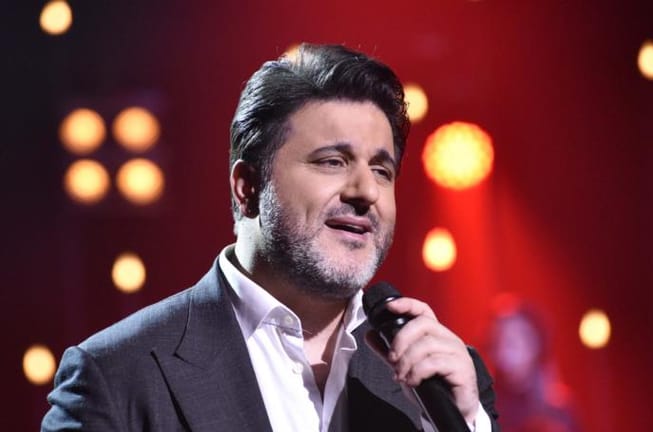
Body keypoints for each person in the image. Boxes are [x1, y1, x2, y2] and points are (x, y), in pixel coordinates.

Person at [41, 43, 498, 431]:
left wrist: (463, 422)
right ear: (249, 188)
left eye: (382, 170)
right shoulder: (116, 375)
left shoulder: (446, 381)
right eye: (332, 162)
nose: (366, 191)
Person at [488, 297, 579, 432]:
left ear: (535, 344)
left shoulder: (557, 407)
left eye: (513, 341)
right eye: (499, 341)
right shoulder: (484, 407)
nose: (504, 351)